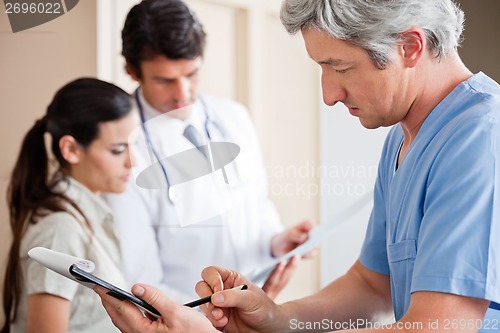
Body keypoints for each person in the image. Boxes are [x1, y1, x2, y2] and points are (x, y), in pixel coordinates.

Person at [95, 0, 500, 332]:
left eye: (340, 68)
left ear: (410, 47)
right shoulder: (403, 136)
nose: (328, 94)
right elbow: (372, 285)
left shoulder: (480, 137)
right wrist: (275, 318)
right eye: (322, 68)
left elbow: (440, 327)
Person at [102, 0, 314, 304]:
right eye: (165, 80)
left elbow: (256, 205)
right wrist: (216, 314)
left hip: (255, 308)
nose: (183, 92)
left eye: (191, 74)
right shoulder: (121, 149)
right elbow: (142, 278)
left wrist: (276, 242)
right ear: (132, 71)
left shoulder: (234, 117)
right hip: (185, 321)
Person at [1, 78, 139, 333]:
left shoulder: (87, 214)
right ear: (71, 149)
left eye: (134, 144)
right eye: (119, 150)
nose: (134, 161)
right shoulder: (61, 228)